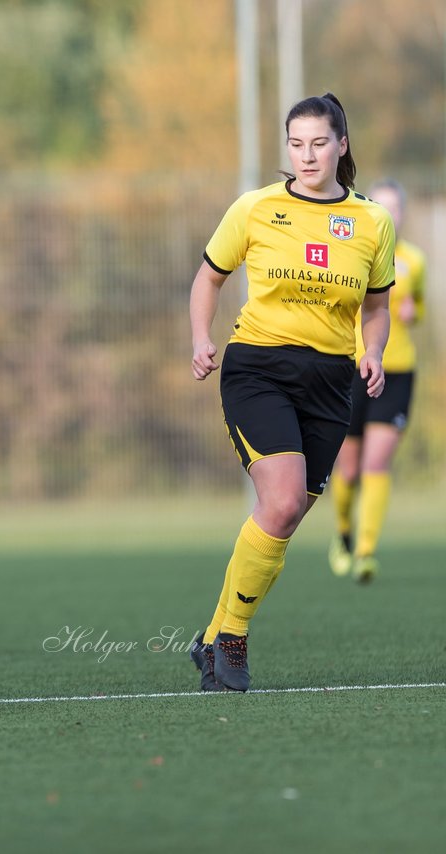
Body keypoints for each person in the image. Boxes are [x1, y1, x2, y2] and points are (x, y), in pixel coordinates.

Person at [187, 93, 394, 692]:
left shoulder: (372, 221)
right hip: (259, 370)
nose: (306, 155)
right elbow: (208, 277)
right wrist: (201, 336)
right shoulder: (255, 208)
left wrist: (372, 350)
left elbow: (376, 305)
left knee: (287, 514)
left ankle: (210, 635)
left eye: (319, 143)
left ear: (342, 145)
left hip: (331, 383)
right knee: (278, 504)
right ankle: (232, 639)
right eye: (296, 144)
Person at [327, 179, 427, 584]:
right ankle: (344, 534)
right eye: (380, 206)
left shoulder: (413, 261)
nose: (388, 214)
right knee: (348, 470)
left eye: (395, 208)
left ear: (402, 213)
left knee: (377, 462)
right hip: (350, 368)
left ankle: (367, 551)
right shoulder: (353, 253)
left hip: (397, 369)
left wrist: (412, 313)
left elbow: (414, 305)